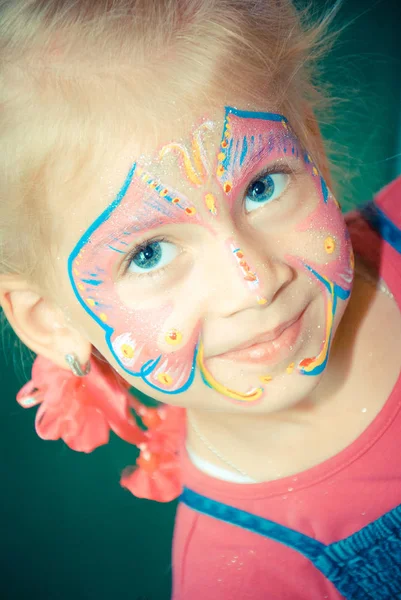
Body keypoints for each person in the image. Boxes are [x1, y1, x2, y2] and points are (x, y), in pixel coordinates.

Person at [0, 1, 400, 598]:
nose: (254, 283)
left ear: (311, 146)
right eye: (150, 253)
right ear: (51, 321)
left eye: (262, 187)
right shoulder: (245, 578)